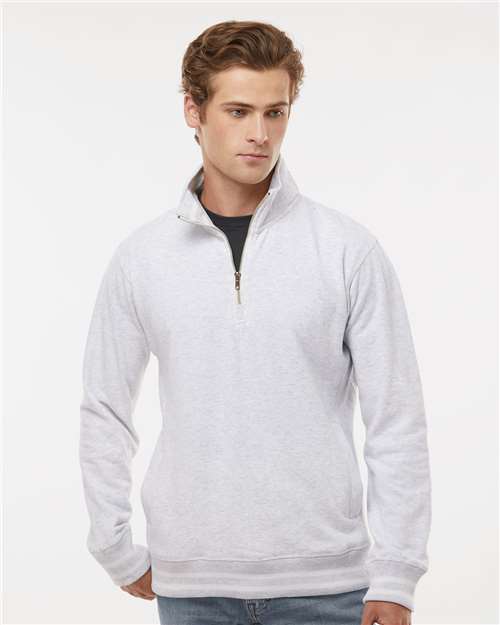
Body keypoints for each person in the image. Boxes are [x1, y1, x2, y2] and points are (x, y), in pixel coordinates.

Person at [79, 20, 432, 625]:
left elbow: (396, 419)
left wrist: (397, 574)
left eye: (276, 112)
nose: (260, 134)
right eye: (238, 111)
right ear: (193, 111)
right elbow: (105, 409)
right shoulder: (142, 259)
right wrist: (113, 544)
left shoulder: (347, 251)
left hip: (329, 586)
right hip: (193, 588)